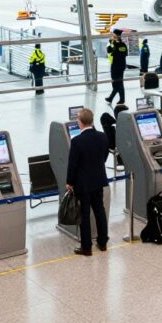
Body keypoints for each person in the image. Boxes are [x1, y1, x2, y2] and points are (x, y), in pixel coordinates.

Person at [66, 108, 110, 255]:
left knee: (84, 215)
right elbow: (104, 157)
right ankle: (103, 243)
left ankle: (86, 247)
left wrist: (69, 182)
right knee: (99, 211)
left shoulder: (77, 141)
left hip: (82, 185)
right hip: (98, 181)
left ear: (80, 122)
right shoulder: (103, 136)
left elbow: (73, 165)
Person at [105, 29, 129, 105]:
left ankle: (122, 99)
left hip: (115, 66)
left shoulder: (114, 44)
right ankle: (111, 98)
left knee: (117, 83)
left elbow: (109, 51)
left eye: (113, 34)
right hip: (121, 66)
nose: (112, 35)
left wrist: (112, 43)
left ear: (116, 35)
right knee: (118, 83)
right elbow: (125, 54)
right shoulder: (123, 45)